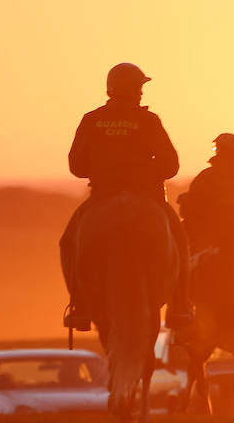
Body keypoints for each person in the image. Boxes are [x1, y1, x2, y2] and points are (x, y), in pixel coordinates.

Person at [59, 63, 192, 332]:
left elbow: (76, 166)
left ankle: (80, 307)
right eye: (140, 87)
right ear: (133, 90)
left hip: (102, 197)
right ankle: (181, 308)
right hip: (148, 198)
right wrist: (145, 171)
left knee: (67, 243)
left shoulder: (92, 119)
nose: (142, 93)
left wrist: (102, 168)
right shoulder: (149, 120)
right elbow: (171, 166)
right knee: (180, 241)